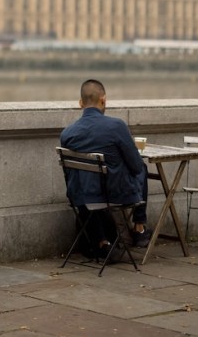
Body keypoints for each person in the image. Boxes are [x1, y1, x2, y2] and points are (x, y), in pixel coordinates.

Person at [59, 79, 151, 255]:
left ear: (80, 103)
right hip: (114, 195)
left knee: (88, 180)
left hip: (82, 196)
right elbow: (136, 166)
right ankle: (139, 228)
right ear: (103, 100)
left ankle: (102, 242)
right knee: (143, 170)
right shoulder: (116, 126)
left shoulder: (67, 133)